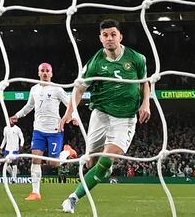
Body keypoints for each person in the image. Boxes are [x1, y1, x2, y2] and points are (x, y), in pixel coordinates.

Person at [59, 19, 150, 213]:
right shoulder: (95, 62)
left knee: (107, 158)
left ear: (120, 37)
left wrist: (146, 103)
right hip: (100, 114)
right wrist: (69, 113)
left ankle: (73, 198)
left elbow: (145, 82)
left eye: (113, 35)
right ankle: (102, 170)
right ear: (100, 39)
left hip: (124, 118)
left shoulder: (136, 58)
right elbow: (79, 90)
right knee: (92, 162)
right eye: (105, 35)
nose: (109, 38)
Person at [10, 62, 78, 201]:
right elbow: (29, 106)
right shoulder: (34, 89)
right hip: (39, 131)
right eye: (43, 71)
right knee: (36, 160)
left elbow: (69, 103)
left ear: (51, 74)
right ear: (38, 73)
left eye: (48, 71)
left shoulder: (57, 89)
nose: (45, 73)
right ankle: (36, 193)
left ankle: (67, 152)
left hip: (55, 131)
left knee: (54, 164)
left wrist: (74, 117)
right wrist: (17, 115)